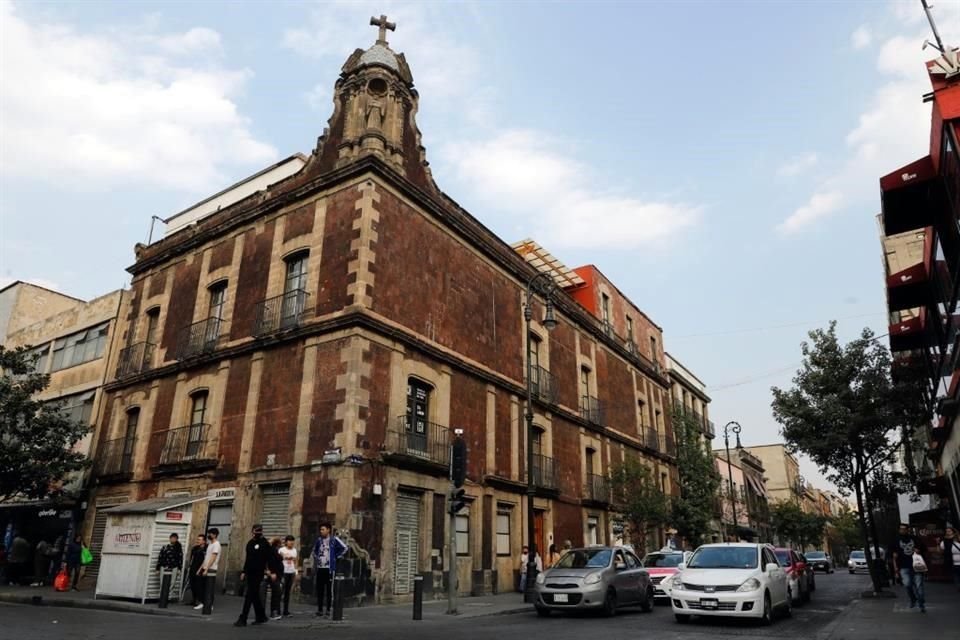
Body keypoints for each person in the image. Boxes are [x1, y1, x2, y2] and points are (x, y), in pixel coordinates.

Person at [235, 524, 271, 627]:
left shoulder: (264, 543)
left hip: (258, 573)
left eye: (260, 530)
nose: (258, 532)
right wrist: (244, 571)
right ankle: (261, 616)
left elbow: (269, 558)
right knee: (254, 595)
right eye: (256, 530)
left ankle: (243, 618)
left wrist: (268, 570)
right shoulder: (250, 543)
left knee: (249, 594)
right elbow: (248, 559)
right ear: (252, 531)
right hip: (250, 572)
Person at [311, 523, 346, 617]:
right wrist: (317, 557)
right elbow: (314, 550)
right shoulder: (319, 540)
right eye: (320, 530)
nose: (321, 531)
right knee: (320, 589)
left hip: (329, 569)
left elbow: (344, 548)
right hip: (320, 568)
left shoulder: (334, 540)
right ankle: (320, 609)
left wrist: (336, 556)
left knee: (329, 590)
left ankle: (328, 609)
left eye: (323, 529)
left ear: (328, 530)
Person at [891, 523, 927, 612]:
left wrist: (919, 550)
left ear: (908, 530)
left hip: (916, 566)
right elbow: (893, 556)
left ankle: (921, 604)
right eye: (901, 529)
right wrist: (895, 569)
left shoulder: (915, 539)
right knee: (907, 584)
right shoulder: (895, 540)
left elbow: (924, 549)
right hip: (903, 566)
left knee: (919, 586)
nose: (902, 530)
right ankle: (913, 598)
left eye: (904, 529)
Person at [196, 528, 221, 611]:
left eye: (210, 534)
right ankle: (203, 602)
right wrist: (200, 569)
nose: (208, 535)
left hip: (211, 569)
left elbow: (213, 557)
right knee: (201, 586)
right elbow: (206, 558)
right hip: (204, 568)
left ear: (214, 535)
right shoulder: (210, 544)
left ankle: (209, 604)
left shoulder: (216, 544)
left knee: (209, 587)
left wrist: (207, 569)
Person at [156, 533, 184, 598]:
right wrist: (157, 568)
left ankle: (169, 596)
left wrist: (179, 569)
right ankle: (162, 595)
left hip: (174, 566)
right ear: (170, 538)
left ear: (176, 539)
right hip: (164, 566)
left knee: (172, 582)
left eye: (175, 538)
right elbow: (160, 557)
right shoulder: (165, 547)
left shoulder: (178, 548)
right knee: (162, 581)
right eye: (172, 538)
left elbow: (180, 558)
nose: (173, 539)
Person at [279, 536, 299, 617]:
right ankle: (277, 610)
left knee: (287, 592)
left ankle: (286, 611)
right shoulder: (281, 550)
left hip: (291, 572)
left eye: (292, 541)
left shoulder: (294, 550)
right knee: (280, 591)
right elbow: (278, 559)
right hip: (283, 572)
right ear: (286, 542)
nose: (291, 543)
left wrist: (296, 572)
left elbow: (296, 562)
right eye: (290, 541)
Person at [266, 538, 284, 620]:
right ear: (277, 544)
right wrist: (272, 572)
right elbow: (271, 562)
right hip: (274, 575)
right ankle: (274, 612)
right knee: (276, 593)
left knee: (277, 593)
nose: (281, 545)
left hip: (277, 574)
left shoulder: (275, 551)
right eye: (280, 544)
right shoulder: (272, 551)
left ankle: (276, 611)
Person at [188, 534, 207, 606]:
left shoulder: (206, 548)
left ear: (204, 541)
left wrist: (201, 570)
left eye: (199, 540)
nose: (198, 541)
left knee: (199, 585)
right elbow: (191, 558)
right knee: (192, 584)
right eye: (197, 539)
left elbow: (205, 560)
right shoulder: (195, 548)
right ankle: (194, 599)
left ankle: (201, 600)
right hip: (193, 568)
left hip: (200, 569)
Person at [939, 525, 960, 590]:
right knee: (956, 576)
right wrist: (937, 543)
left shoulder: (959, 539)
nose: (948, 532)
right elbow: (941, 550)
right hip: (952, 562)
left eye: (949, 531)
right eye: (946, 531)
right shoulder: (944, 541)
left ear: (953, 532)